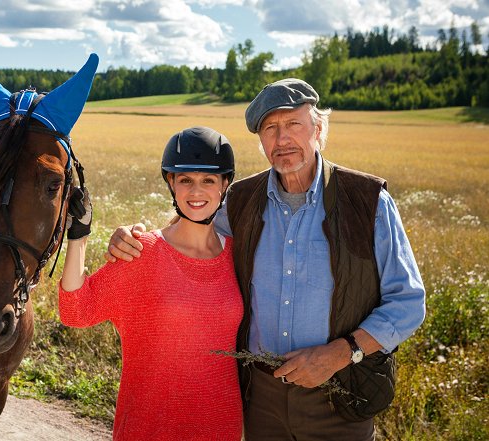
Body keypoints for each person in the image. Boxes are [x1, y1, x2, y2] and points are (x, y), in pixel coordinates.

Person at [105, 79, 426, 440]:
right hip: (260, 398)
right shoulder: (241, 200)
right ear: (260, 140)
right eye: (271, 128)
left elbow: (408, 303)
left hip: (341, 394)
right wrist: (135, 239)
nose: (282, 139)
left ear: (318, 129)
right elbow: (188, 238)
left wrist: (341, 353)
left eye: (293, 125)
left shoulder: (367, 202)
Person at [59, 126, 244, 440]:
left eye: (208, 180)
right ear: (171, 182)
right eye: (185, 180)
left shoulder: (239, 255)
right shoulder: (142, 250)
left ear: (225, 184)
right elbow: (75, 312)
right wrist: (79, 236)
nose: (196, 192)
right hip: (149, 427)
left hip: (221, 427)